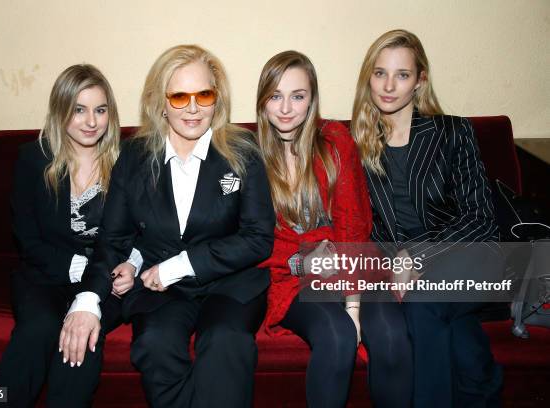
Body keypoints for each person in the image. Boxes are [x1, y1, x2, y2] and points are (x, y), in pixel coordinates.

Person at [59, 45, 275, 408]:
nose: (193, 108)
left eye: (203, 94)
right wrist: (87, 300)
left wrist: (179, 266)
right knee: (154, 344)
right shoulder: (135, 156)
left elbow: (258, 238)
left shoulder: (243, 149)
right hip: (161, 293)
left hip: (230, 283)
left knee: (225, 341)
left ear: (216, 100)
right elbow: (112, 240)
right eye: (179, 96)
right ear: (161, 102)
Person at [352, 29, 503, 407]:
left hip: (465, 256)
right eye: (379, 73)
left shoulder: (452, 132)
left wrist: (417, 255)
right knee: (464, 346)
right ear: (368, 77)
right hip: (398, 268)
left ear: (420, 81)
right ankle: (483, 389)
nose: (388, 86)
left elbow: (481, 219)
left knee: (422, 301)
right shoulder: (354, 143)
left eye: (402, 75)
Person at [0, 64, 143, 407]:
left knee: (83, 338)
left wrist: (132, 265)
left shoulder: (127, 162)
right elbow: (29, 241)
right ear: (61, 110)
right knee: (39, 330)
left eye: (100, 110)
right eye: (79, 109)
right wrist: (83, 269)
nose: (91, 121)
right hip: (45, 276)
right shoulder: (33, 159)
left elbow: (145, 232)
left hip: (107, 284)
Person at [256, 50, 372, 407]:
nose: (286, 108)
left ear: (312, 100)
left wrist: (354, 308)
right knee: (336, 335)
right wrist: (300, 264)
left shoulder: (335, 143)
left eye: (298, 96)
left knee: (388, 334)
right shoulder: (250, 158)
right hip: (287, 281)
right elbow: (250, 242)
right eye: (276, 96)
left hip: (345, 271)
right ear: (262, 103)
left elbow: (353, 227)